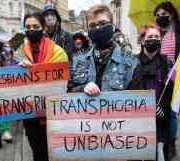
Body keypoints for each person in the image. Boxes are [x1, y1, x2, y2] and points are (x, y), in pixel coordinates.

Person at [20, 12, 68, 161]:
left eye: (35, 26)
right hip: (30, 116)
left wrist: (37, 69)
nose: (31, 30)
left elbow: (63, 82)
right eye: (28, 27)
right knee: (38, 154)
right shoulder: (20, 50)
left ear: (43, 28)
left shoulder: (58, 52)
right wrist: (19, 68)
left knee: (54, 155)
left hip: (52, 116)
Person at [68, 4, 138, 97]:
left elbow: (137, 99)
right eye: (92, 25)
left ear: (112, 26)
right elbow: (66, 91)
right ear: (88, 30)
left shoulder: (130, 62)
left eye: (103, 23)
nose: (98, 28)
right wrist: (82, 88)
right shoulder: (77, 61)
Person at [128, 24, 172, 161]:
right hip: (137, 122)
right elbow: (128, 90)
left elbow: (170, 90)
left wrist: (163, 108)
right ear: (142, 41)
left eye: (157, 37)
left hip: (160, 122)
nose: (154, 39)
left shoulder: (167, 63)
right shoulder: (132, 62)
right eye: (150, 37)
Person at [154, 2, 180, 157]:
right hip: (161, 77)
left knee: (172, 111)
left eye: (163, 14)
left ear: (171, 14)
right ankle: (161, 140)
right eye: (157, 15)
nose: (160, 18)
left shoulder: (178, 30)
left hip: (176, 77)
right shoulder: (157, 32)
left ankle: (171, 142)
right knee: (160, 111)